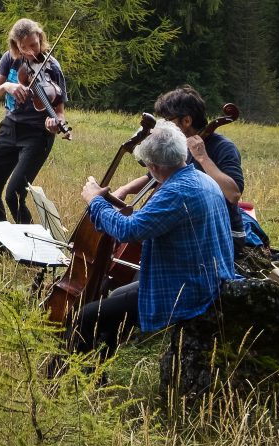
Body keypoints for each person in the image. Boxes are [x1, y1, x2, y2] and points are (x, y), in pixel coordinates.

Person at [61, 122, 235, 362]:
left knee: (86, 316)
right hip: (205, 279)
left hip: (187, 290)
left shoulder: (175, 192)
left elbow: (129, 231)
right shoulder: (201, 180)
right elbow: (147, 221)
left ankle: (65, 380)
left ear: (153, 166)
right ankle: (97, 373)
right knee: (115, 298)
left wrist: (94, 201)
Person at [113, 86, 243, 233]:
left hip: (222, 231)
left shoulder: (224, 147)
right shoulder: (179, 143)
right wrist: (125, 189)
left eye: (167, 120)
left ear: (186, 121)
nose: (162, 125)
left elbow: (233, 194)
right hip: (191, 222)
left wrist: (202, 157)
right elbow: (154, 177)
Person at [0, 18, 69, 224]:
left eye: (34, 45)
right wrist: (6, 87)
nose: (30, 52)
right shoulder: (9, 59)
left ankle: (31, 248)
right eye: (23, 47)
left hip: (37, 136)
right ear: (15, 45)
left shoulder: (53, 67)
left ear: (40, 39)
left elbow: (60, 112)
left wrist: (55, 123)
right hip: (10, 129)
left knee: (15, 194)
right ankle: (0, 247)